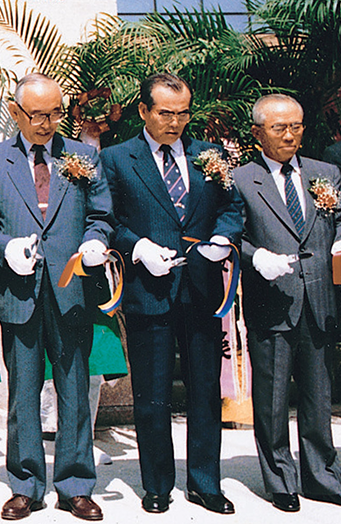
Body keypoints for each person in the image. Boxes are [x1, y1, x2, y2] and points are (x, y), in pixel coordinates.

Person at [100, 73, 243, 514]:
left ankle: (205, 483)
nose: (175, 123)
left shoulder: (209, 155)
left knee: (205, 390)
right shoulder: (117, 158)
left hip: (202, 288)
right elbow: (107, 218)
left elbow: (231, 207)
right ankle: (158, 483)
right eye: (165, 113)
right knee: (152, 392)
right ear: (144, 110)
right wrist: (138, 247)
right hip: (150, 289)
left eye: (183, 114)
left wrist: (223, 238)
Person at [0, 73, 112, 522]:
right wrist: (6, 248)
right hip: (21, 290)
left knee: (74, 389)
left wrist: (94, 241)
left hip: (71, 288)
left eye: (54, 113)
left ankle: (76, 485)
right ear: (16, 112)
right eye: (36, 115)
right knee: (23, 392)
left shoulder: (83, 156)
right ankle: (25, 484)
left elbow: (101, 215)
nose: (46, 123)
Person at [234, 94, 341, 512]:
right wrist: (256, 257)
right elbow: (232, 235)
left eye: (297, 127)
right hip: (272, 299)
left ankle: (323, 479)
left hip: (319, 298)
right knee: (271, 399)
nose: (290, 136)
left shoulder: (326, 172)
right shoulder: (242, 179)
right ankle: (281, 481)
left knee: (319, 396)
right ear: (258, 133)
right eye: (279, 128)